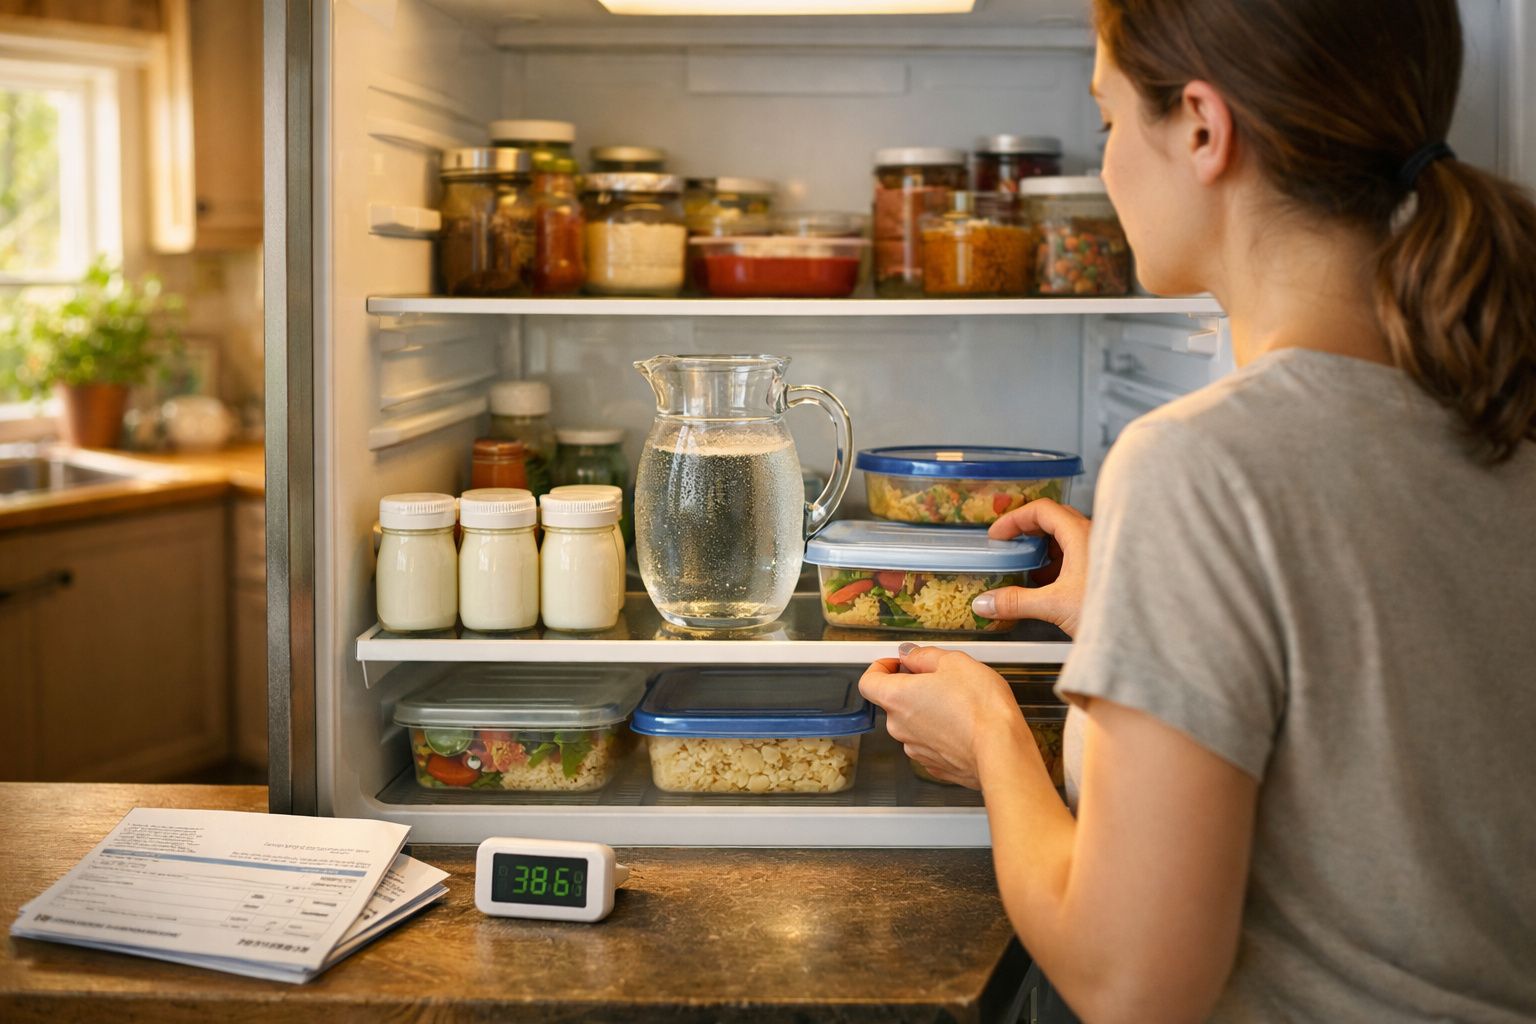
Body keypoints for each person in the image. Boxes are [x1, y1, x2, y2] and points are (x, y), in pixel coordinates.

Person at [858, 1, 1536, 1020]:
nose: (1111, 163)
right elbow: (1380, 721)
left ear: (1205, 130)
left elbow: (1131, 987)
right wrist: (1137, 611)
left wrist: (993, 733)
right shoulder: (1495, 408)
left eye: (1110, 124)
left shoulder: (1198, 465)